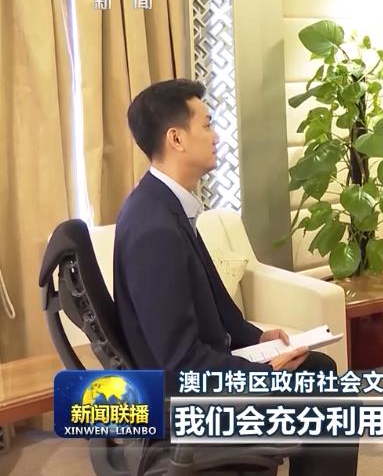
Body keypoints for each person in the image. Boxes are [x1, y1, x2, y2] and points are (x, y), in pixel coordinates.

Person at [113, 79, 358, 476]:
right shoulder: (153, 229)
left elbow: (213, 304)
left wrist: (255, 338)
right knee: (330, 398)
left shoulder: (166, 206)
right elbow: (180, 364)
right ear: (176, 138)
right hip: (185, 401)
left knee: (319, 370)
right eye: (207, 125)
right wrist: (264, 374)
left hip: (203, 373)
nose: (215, 136)